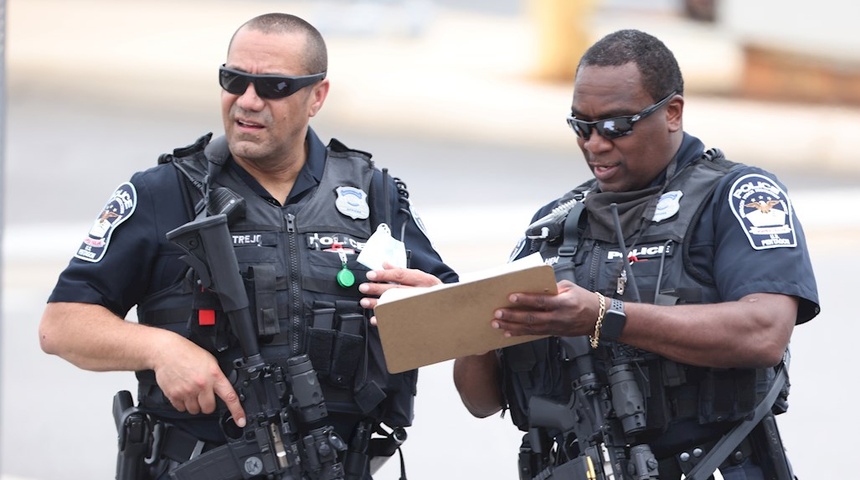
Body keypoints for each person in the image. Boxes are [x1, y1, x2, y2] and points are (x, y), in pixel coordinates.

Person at [363, 29, 819, 479]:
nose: (595, 144)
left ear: (673, 112)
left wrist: (604, 315)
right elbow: (482, 401)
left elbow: (763, 333)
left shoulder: (737, 195)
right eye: (581, 125)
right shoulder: (553, 224)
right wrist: (463, 316)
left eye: (617, 126)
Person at [38, 12, 456, 480]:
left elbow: (461, 319)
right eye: (234, 80)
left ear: (317, 96)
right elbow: (62, 325)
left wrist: (426, 307)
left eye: (274, 87)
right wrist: (160, 349)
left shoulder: (374, 195)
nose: (248, 101)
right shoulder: (166, 192)